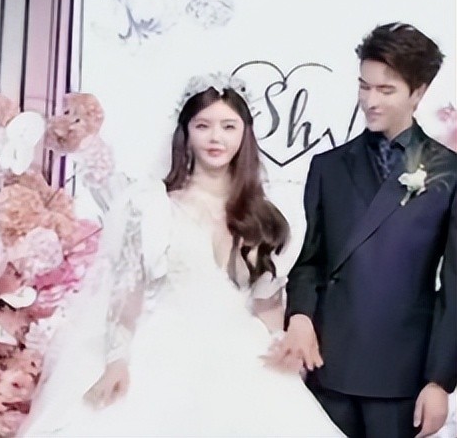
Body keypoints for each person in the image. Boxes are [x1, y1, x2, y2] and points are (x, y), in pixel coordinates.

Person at [20, 74, 342, 436]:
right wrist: (116, 360)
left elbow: (266, 302)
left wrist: (282, 342)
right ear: (185, 132)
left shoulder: (265, 214)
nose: (216, 137)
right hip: (163, 352)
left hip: (242, 354)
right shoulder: (152, 206)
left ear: (245, 134)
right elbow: (126, 293)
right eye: (203, 126)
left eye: (228, 126)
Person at [275, 22, 456, 438]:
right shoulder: (328, 167)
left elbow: (455, 284)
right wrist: (299, 315)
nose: (370, 101)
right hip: (327, 365)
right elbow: (309, 261)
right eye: (364, 86)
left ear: (419, 92)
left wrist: (440, 380)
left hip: (401, 373)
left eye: (385, 90)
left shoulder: (448, 172)